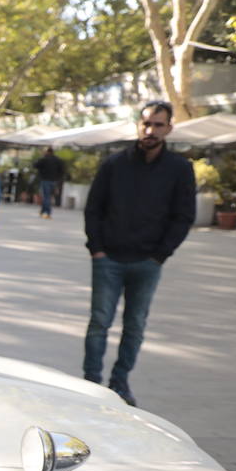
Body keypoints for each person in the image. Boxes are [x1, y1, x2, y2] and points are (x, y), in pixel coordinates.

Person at [82, 100, 196, 407]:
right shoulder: (113, 164)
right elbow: (94, 209)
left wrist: (160, 254)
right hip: (108, 259)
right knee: (99, 323)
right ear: (138, 125)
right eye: (146, 123)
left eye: (158, 125)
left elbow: (184, 216)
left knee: (135, 326)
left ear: (169, 128)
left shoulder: (180, 169)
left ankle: (120, 383)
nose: (150, 130)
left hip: (148, 262)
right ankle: (89, 382)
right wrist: (97, 249)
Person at [34, 147, 66, 218]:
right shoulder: (57, 160)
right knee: (49, 196)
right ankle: (43, 211)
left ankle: (47, 212)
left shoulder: (44, 159)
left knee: (46, 196)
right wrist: (58, 178)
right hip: (54, 181)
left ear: (47, 152)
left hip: (45, 180)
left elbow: (35, 165)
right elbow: (62, 170)